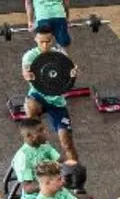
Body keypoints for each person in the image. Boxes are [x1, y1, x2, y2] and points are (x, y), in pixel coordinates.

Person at [22, 25, 80, 164]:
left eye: (48, 41)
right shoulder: (29, 56)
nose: (45, 45)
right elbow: (26, 74)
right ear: (36, 39)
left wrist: (72, 75)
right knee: (30, 108)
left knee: (67, 143)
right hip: (38, 96)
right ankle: (35, 158)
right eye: (41, 41)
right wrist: (27, 75)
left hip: (57, 102)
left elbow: (68, 78)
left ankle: (75, 176)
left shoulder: (60, 56)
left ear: (52, 40)